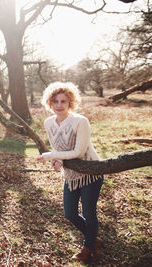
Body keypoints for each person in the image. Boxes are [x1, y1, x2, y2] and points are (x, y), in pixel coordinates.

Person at [36, 82, 104, 264]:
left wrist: (51, 155)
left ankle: (87, 247)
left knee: (89, 213)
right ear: (49, 103)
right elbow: (58, 147)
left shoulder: (80, 121)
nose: (59, 105)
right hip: (71, 175)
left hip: (91, 172)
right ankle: (93, 238)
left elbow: (79, 152)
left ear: (70, 103)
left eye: (63, 101)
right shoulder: (48, 122)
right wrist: (57, 160)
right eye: (55, 101)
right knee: (70, 214)